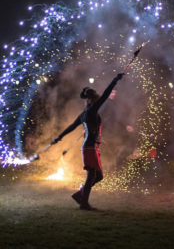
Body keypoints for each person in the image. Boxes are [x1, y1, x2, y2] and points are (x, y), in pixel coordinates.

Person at [51, 73, 124, 210]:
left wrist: (59, 137)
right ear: (91, 99)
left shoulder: (85, 113)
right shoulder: (91, 111)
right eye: (96, 98)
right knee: (91, 176)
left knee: (99, 176)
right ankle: (84, 203)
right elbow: (106, 94)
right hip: (89, 147)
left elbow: (71, 127)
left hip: (93, 147)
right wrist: (115, 80)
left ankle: (80, 195)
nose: (98, 100)